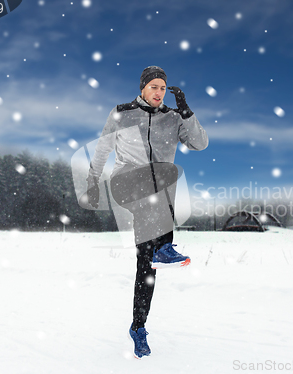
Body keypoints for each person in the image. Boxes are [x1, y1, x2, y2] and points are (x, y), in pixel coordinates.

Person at [85, 66, 208, 359]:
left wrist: (187, 113)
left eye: (163, 88)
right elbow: (102, 149)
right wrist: (92, 180)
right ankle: (165, 246)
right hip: (126, 182)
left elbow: (200, 143)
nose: (159, 92)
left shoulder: (174, 118)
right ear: (142, 88)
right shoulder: (122, 112)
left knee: (146, 264)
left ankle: (138, 327)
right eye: (154, 86)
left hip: (156, 201)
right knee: (161, 174)